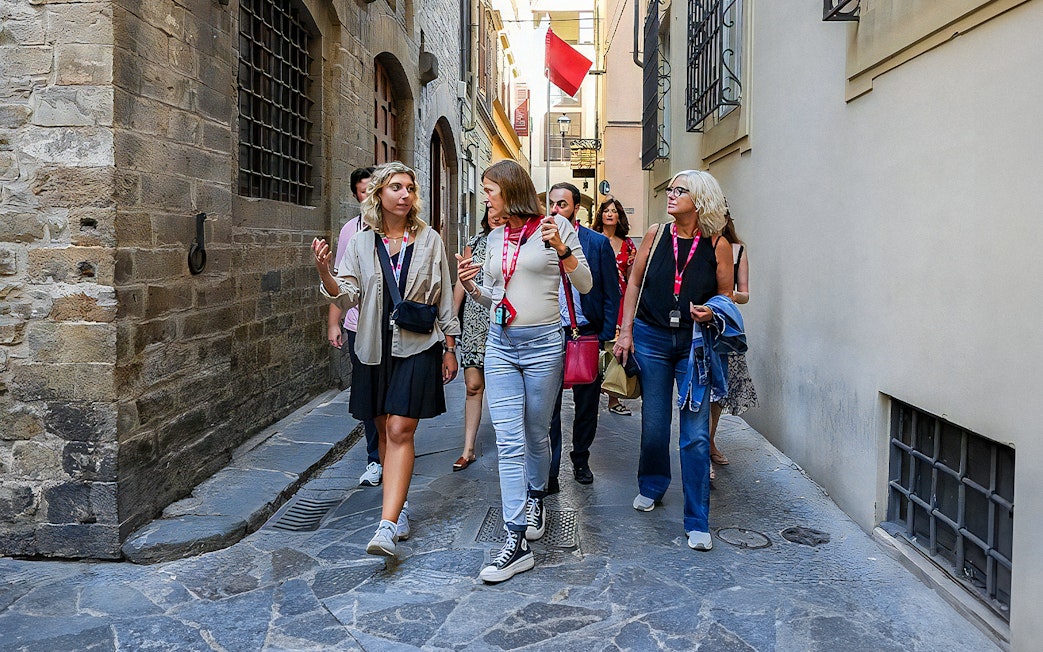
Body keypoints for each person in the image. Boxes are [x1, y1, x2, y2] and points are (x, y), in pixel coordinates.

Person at [312, 162, 460, 558]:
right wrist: (325, 272)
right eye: (396, 187)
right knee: (382, 428)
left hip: (417, 344)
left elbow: (444, 295)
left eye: (410, 187)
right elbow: (345, 295)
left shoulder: (429, 240)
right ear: (379, 194)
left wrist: (450, 345)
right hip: (373, 346)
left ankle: (386, 526)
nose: (404, 194)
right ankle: (401, 505)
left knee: (399, 430)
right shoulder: (362, 242)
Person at [457, 160, 591, 583]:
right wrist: (475, 287)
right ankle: (515, 537)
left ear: (511, 190)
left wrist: (564, 251)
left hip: (543, 345)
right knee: (509, 438)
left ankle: (536, 496)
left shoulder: (556, 227)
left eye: (490, 190)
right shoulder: (495, 237)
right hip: (500, 344)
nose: (485, 197)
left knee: (536, 432)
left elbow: (586, 284)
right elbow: (496, 296)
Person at [613, 170, 733, 552]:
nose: (671, 194)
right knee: (654, 422)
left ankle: (698, 520)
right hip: (650, 337)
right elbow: (633, 283)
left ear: (699, 200)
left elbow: (727, 298)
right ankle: (652, 484)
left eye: (680, 190)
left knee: (696, 434)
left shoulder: (718, 245)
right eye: (671, 188)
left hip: (695, 344)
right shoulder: (655, 234)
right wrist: (625, 332)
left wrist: (711, 313)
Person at [547, 183, 619, 489]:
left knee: (587, 403)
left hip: (586, 333)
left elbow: (610, 292)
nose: (554, 210)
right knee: (547, 404)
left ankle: (580, 458)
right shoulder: (538, 241)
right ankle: (549, 467)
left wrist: (604, 334)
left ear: (576, 208)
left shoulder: (596, 243)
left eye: (561, 204)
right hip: (549, 332)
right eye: (550, 204)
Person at [329, 166, 384, 488]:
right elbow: (340, 282)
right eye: (362, 192)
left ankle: (395, 445)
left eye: (372, 190)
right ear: (356, 195)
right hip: (357, 325)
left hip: (390, 326)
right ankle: (375, 458)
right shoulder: (350, 230)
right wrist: (333, 323)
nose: (368, 197)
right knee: (368, 396)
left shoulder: (400, 230)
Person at [450, 205, 506, 471]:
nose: (495, 214)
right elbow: (462, 280)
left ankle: (512, 448)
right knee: (473, 385)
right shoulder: (474, 242)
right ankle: (468, 449)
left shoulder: (517, 242)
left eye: (501, 209)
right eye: (491, 210)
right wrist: (450, 321)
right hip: (475, 321)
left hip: (504, 320)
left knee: (505, 390)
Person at [709, 209, 758, 476]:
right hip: (698, 323)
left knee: (720, 388)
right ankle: (700, 445)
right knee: (699, 385)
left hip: (725, 325)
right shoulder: (699, 245)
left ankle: (710, 440)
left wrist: (726, 295)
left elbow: (746, 294)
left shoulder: (738, 250)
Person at [591, 198, 637, 416]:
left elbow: (633, 278)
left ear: (619, 216)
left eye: (614, 211)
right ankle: (591, 391)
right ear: (600, 215)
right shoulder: (592, 240)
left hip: (620, 301)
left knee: (616, 348)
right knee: (595, 346)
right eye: (606, 211)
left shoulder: (628, 245)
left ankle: (613, 397)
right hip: (597, 300)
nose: (609, 214)